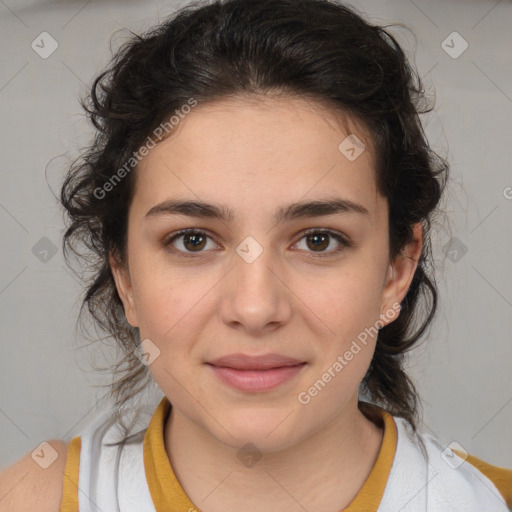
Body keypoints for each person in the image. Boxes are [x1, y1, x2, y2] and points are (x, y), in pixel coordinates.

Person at [1, 0, 511, 510]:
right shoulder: (33, 498)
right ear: (124, 275)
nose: (255, 308)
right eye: (193, 240)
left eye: (318, 240)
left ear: (397, 271)